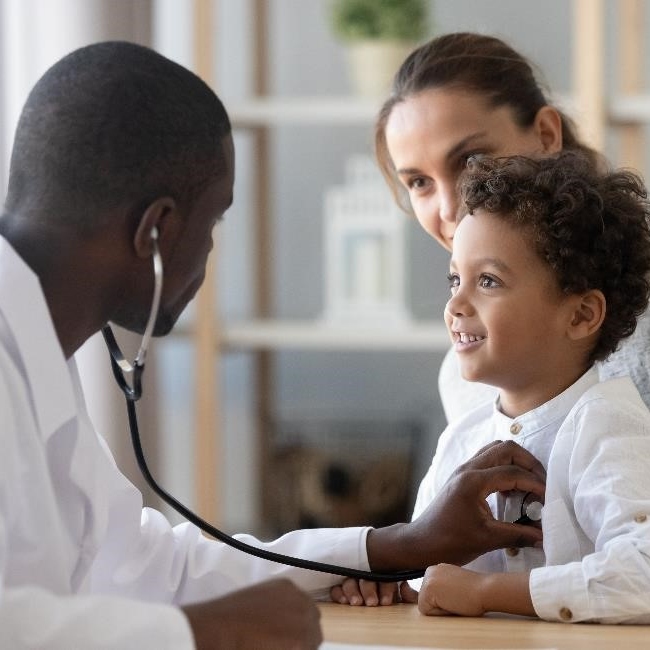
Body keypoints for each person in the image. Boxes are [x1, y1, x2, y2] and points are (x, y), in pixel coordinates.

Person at [0, 41, 547, 648]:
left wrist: (400, 545)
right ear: (155, 231)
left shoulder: (39, 354)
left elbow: (151, 564)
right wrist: (199, 634)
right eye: (211, 224)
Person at [331, 30, 650, 608]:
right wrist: (399, 580)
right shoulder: (470, 389)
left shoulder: (610, 409)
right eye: (419, 183)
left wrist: (488, 590)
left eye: (472, 161)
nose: (452, 206)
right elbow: (447, 556)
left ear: (547, 135)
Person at [416, 151, 650, 623]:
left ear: (581, 315)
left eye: (488, 281)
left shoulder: (607, 427)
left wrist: (488, 591)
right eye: (454, 279)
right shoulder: (462, 439)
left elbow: (644, 573)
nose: (456, 304)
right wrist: (385, 583)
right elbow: (426, 573)